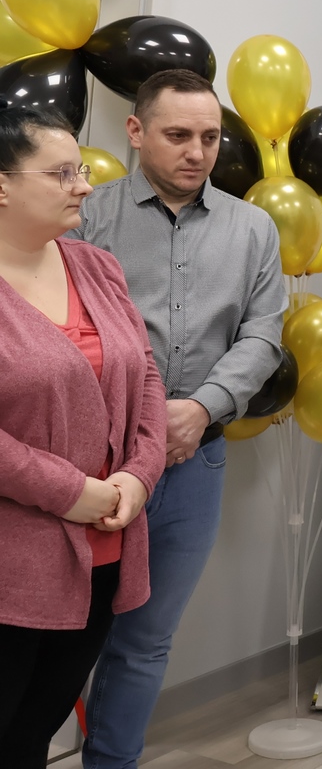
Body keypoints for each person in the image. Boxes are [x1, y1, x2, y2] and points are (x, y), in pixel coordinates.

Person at [73, 70, 286, 769]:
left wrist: (202, 407)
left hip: (197, 460)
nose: (197, 152)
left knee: (146, 639)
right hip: (98, 461)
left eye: (210, 137)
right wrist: (137, 416)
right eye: (178, 135)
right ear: (136, 132)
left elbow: (263, 335)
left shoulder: (252, 228)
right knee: (64, 633)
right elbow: (65, 329)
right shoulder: (89, 217)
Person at [0, 106, 166, 766]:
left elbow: (146, 377)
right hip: (13, 565)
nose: (84, 185)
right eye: (62, 173)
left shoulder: (97, 267)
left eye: (81, 170)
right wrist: (69, 492)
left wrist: (139, 474)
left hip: (102, 550)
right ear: (2, 185)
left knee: (34, 731)